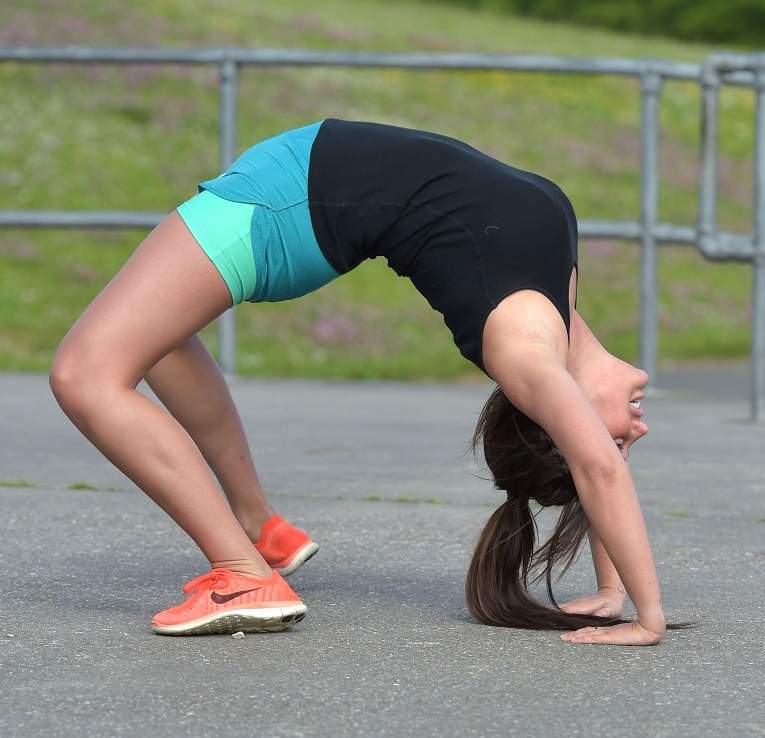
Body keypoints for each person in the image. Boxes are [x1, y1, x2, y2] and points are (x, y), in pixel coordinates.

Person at [50, 118, 691, 644]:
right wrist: (613, 592)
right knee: (153, 339)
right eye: (630, 441)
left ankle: (243, 575)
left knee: (85, 374)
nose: (638, 429)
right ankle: (257, 527)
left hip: (288, 209)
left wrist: (649, 618)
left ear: (565, 426)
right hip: (295, 190)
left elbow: (596, 470)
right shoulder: (557, 307)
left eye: (621, 441)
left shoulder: (527, 354)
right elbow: (596, 471)